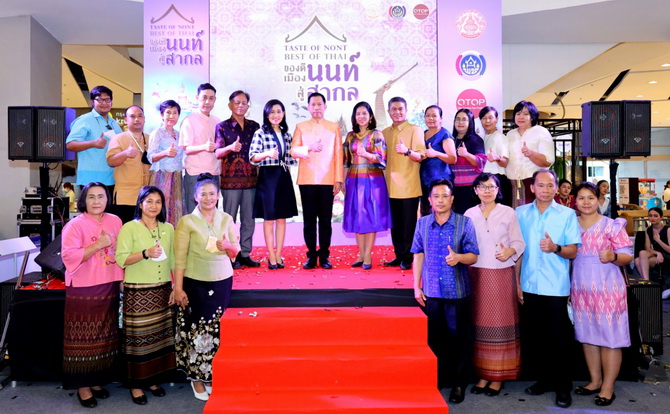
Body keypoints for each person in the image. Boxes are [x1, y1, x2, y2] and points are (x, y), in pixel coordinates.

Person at [516, 169, 581, 409]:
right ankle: (544, 380)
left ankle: (563, 386)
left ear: (556, 188)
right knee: (537, 338)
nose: (545, 189)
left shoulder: (567, 214)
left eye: (550, 185)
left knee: (559, 339)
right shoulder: (520, 213)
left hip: (555, 286)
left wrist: (555, 248)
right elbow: (518, 251)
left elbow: (573, 251)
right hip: (529, 285)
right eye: (540, 185)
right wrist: (517, 282)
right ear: (532, 188)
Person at [173, 173, 240, 401]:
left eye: (212, 194)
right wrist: (178, 288)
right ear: (195, 197)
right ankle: (196, 378)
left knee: (215, 331)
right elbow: (179, 258)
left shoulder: (226, 218)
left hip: (222, 281)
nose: (208, 198)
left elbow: (235, 252)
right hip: (196, 282)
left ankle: (210, 375)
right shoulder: (187, 222)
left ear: (218, 195)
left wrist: (228, 245)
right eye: (203, 194)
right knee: (197, 331)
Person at [411, 178, 479, 404]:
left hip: (457, 292)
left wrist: (458, 257)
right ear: (430, 200)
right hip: (432, 291)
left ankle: (459, 383)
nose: (440, 200)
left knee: (459, 338)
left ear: (452, 199)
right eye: (436, 196)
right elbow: (418, 253)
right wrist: (416, 285)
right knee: (436, 338)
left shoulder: (464, 223)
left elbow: (473, 256)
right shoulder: (422, 223)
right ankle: (439, 378)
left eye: (444, 196)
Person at [60, 182, 123, 408]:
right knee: (82, 338)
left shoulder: (115, 221)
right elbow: (69, 257)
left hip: (110, 284)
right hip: (84, 288)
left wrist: (123, 278)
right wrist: (99, 245)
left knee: (105, 336)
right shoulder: (75, 225)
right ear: (83, 200)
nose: (97, 201)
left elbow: (121, 252)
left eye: (101, 196)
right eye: (91, 197)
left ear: (108, 199)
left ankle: (97, 380)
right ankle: (82, 386)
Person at [571, 181, 633, 407]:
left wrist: (613, 257)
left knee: (610, 339)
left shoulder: (611, 225)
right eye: (581, 198)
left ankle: (608, 387)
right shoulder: (570, 224)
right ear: (575, 201)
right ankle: (595, 381)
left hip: (608, 289)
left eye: (591, 198)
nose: (586, 202)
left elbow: (627, 255)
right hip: (580, 288)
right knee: (587, 336)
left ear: (598, 200)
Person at [464, 173, 525, 397]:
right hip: (477, 273)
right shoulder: (469, 214)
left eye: (491, 186)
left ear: (498, 190)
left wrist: (510, 251)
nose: (487, 190)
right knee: (480, 323)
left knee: (501, 324)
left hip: (501, 274)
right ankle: (483, 374)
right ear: (475, 190)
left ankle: (498, 376)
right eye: (482, 187)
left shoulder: (508, 212)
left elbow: (519, 242)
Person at [115, 186, 176, 405]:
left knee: (158, 339)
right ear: (140, 204)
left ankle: (153, 380)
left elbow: (173, 259)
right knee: (138, 342)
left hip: (162, 290)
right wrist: (145, 253)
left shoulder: (168, 228)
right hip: (138, 291)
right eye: (149, 201)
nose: (153, 206)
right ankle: (136, 385)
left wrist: (175, 286)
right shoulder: (129, 227)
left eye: (158, 202)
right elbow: (121, 259)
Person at [290, 92, 343, 270]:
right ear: (308, 107)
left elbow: (338, 154)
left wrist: (338, 179)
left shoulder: (334, 127)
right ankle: (311, 255)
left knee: (326, 221)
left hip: (328, 179)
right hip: (307, 179)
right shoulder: (301, 127)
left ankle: (325, 255)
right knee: (309, 220)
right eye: (313, 104)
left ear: (325, 106)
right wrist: (309, 148)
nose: (317, 107)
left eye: (320, 104)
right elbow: (293, 151)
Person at [249, 99, 298, 270]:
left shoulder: (287, 135)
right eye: (272, 112)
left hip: (283, 177)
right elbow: (253, 157)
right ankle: (271, 255)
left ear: (283, 114)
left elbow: (290, 159)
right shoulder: (260, 133)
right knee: (269, 220)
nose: (275, 115)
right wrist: (267, 153)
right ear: (266, 114)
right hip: (267, 177)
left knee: (282, 219)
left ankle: (278, 254)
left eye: (279, 111)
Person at [342, 101, 391, 269]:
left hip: (373, 180)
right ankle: (361, 254)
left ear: (370, 116)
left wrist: (366, 154)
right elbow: (346, 162)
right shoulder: (350, 136)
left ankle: (368, 254)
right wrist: (343, 181)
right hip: (353, 180)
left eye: (364, 113)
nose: (361, 116)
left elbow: (382, 158)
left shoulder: (377, 134)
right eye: (358, 114)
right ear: (354, 117)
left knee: (370, 216)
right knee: (357, 216)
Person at [215, 90, 261, 269]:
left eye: (244, 103)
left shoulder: (254, 126)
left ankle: (245, 254)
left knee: (249, 220)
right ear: (230, 105)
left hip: (251, 181)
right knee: (229, 220)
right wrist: (230, 147)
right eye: (237, 102)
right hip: (230, 182)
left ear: (248, 106)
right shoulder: (222, 126)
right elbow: (217, 152)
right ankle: (230, 255)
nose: (241, 105)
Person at [382, 97, 426, 270]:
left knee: (409, 225)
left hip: (408, 186)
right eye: (394, 109)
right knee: (395, 225)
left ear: (406, 111)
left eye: (400, 109)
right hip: (389, 187)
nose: (397, 112)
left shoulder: (415, 130)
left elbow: (420, 156)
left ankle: (408, 257)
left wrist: (407, 151)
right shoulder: (384, 132)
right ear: (389, 112)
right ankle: (399, 255)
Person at [66, 85, 123, 191]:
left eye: (107, 100)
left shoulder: (113, 123)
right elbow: (70, 145)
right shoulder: (84, 120)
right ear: (92, 102)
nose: (104, 103)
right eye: (100, 100)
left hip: (113, 178)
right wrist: (93, 143)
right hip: (91, 179)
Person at [179, 83, 221, 214]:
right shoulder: (189, 120)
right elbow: (186, 148)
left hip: (214, 172)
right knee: (194, 215)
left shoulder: (217, 121)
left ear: (215, 100)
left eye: (211, 98)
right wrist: (204, 147)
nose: (207, 102)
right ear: (197, 98)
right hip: (195, 173)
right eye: (204, 98)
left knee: (212, 215)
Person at [506, 101, 555, 207]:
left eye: (525, 114)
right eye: (518, 114)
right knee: (514, 214)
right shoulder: (510, 134)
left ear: (532, 116)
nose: (521, 117)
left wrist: (530, 154)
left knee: (534, 213)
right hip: (512, 183)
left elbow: (548, 161)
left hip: (533, 182)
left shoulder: (541, 132)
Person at [106, 106, 151, 223]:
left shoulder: (150, 139)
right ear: (126, 120)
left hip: (147, 198)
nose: (137, 119)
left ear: (144, 119)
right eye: (132, 116)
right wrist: (126, 153)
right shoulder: (118, 139)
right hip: (126, 198)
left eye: (140, 116)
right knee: (125, 231)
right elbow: (111, 161)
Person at [147, 99, 186, 228]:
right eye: (168, 112)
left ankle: (173, 236)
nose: (171, 116)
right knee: (161, 206)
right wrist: (165, 153)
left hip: (177, 176)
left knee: (176, 207)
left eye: (175, 113)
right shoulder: (157, 133)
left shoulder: (179, 134)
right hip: (162, 176)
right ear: (162, 115)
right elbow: (150, 157)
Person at [420, 105, 455, 216]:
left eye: (434, 116)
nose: (430, 118)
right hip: (424, 180)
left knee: (442, 213)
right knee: (426, 213)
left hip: (441, 181)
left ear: (441, 118)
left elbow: (453, 159)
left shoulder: (444, 134)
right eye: (428, 115)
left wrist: (436, 153)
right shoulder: (421, 134)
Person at [451, 108, 486, 214]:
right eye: (457, 119)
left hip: (470, 189)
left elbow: (481, 163)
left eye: (464, 119)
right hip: (453, 188)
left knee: (470, 219)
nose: (460, 122)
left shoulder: (476, 140)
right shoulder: (450, 139)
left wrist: (466, 154)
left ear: (470, 122)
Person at [479, 106, 512, 207]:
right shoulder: (481, 137)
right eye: (484, 118)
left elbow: (505, 162)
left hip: (498, 180)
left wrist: (497, 158)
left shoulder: (500, 137)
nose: (487, 121)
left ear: (496, 119)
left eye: (490, 118)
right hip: (484, 179)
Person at [634, 207, 669, 281]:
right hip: (656, 254)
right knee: (640, 255)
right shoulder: (648, 229)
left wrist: (658, 240)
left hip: (667, 255)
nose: (652, 218)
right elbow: (648, 248)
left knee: (639, 262)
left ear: (661, 217)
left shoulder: (668, 229)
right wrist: (658, 253)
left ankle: (646, 282)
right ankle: (647, 281)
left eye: (655, 216)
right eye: (650, 216)